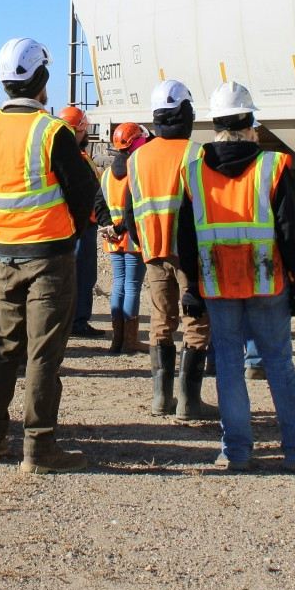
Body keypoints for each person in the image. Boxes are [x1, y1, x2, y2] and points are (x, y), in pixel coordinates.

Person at [180, 82, 295, 472]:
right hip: (268, 283)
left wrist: (192, 288)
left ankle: (236, 452)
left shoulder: (193, 173)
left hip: (217, 285)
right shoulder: (273, 166)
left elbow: (186, 237)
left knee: (229, 367)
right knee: (279, 364)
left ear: (214, 125)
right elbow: (289, 233)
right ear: (251, 122)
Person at [0, 37, 99, 474]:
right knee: (43, 354)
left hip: (3, 255)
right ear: (41, 79)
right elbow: (84, 192)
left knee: (6, 345)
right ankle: (39, 449)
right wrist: (70, 233)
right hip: (49, 257)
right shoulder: (52, 131)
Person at [120, 79, 216, 422]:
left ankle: (161, 399)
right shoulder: (197, 153)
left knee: (161, 320)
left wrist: (144, 243)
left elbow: (129, 212)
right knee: (196, 320)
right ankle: (190, 401)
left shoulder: (137, 158)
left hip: (153, 252)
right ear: (186, 113)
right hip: (190, 254)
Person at [99, 122, 149, 355]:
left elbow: (98, 204)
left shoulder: (108, 173)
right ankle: (130, 341)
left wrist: (109, 226)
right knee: (132, 287)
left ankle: (117, 340)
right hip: (132, 238)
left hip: (113, 239)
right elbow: (134, 209)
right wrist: (120, 228)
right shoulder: (137, 170)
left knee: (119, 286)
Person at [59, 105, 103, 339]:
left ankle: (74, 319)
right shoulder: (75, 158)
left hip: (78, 224)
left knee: (79, 275)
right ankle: (78, 321)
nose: (85, 134)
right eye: (82, 130)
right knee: (83, 275)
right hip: (82, 225)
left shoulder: (76, 157)